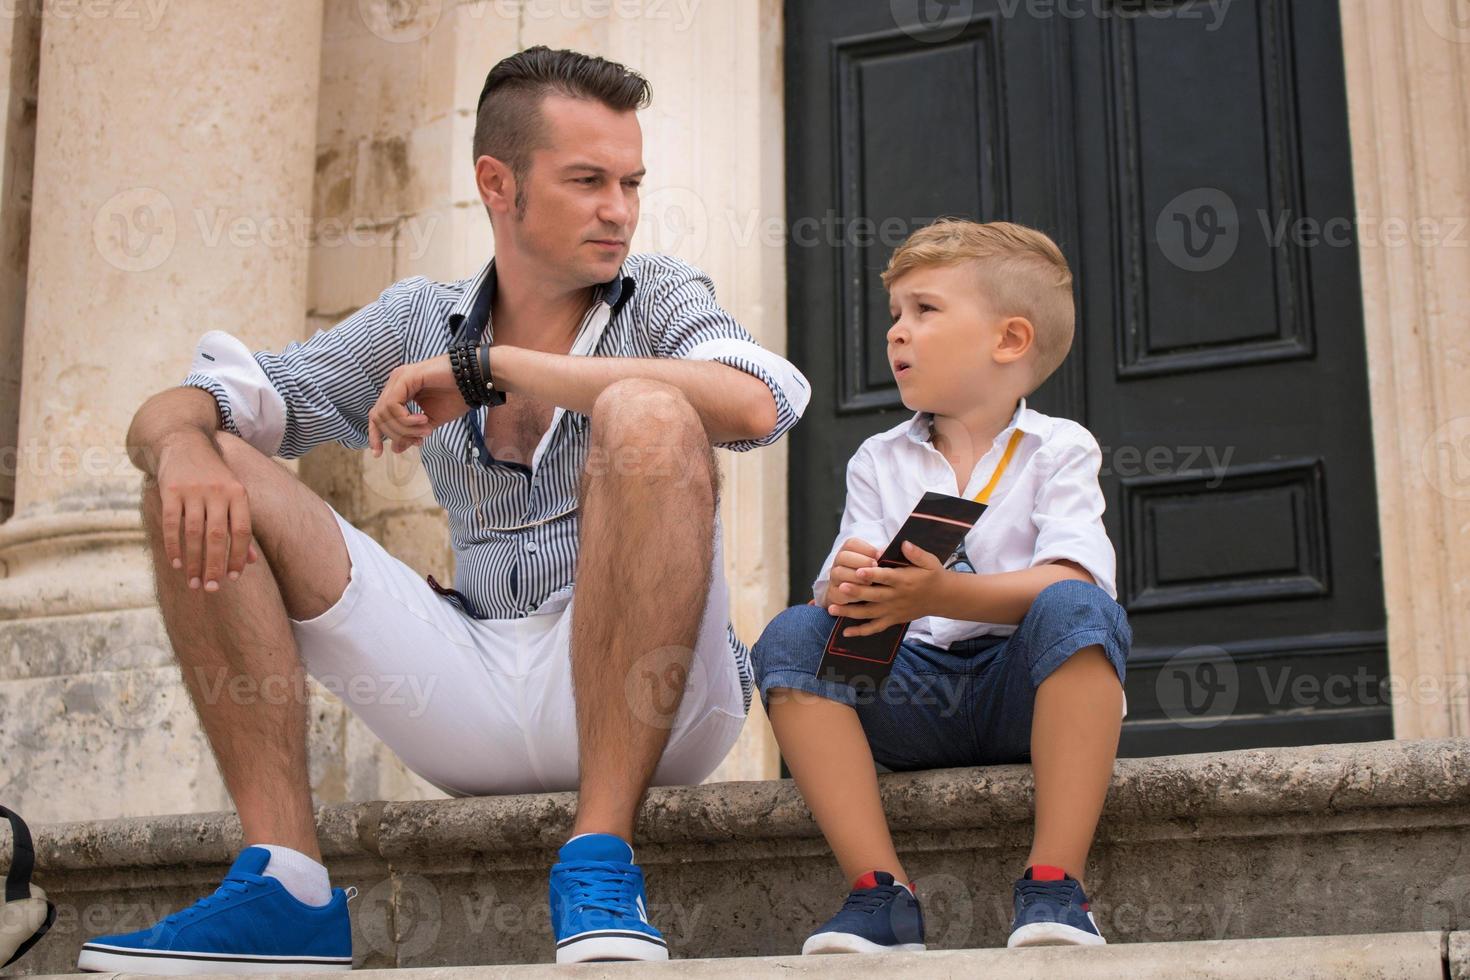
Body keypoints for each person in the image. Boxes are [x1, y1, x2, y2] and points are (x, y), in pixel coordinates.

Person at [80, 47, 809, 973]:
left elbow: (753, 403)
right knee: (205, 460)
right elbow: (195, 398)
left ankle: (599, 859)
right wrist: (182, 448)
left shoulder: (659, 294)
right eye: (586, 180)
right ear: (497, 184)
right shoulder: (419, 318)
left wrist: (493, 368)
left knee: (650, 409)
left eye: (629, 181)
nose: (618, 209)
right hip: (473, 688)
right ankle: (287, 889)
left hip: (656, 698)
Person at [751, 218, 1130, 954]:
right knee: (791, 636)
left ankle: (1055, 884)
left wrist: (939, 596)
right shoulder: (877, 458)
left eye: (924, 311)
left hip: (1020, 690)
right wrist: (847, 585)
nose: (897, 332)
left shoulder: (1060, 448)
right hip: (912, 695)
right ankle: (879, 895)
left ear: (1009, 340)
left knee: (1080, 609)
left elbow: (1073, 575)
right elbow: (833, 595)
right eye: (895, 315)